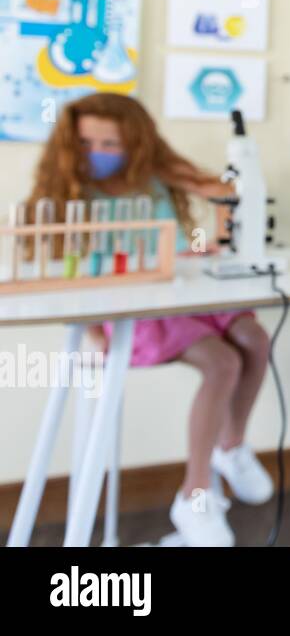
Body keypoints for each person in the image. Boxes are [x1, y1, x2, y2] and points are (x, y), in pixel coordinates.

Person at [27, 93, 275, 546]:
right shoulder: (70, 192)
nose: (98, 154)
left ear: (136, 142)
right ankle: (195, 496)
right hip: (136, 309)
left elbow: (224, 191)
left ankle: (231, 447)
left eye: (110, 144)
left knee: (255, 339)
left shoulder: (154, 174)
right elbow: (65, 272)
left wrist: (214, 241)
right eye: (88, 144)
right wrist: (94, 330)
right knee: (223, 363)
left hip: (184, 291)